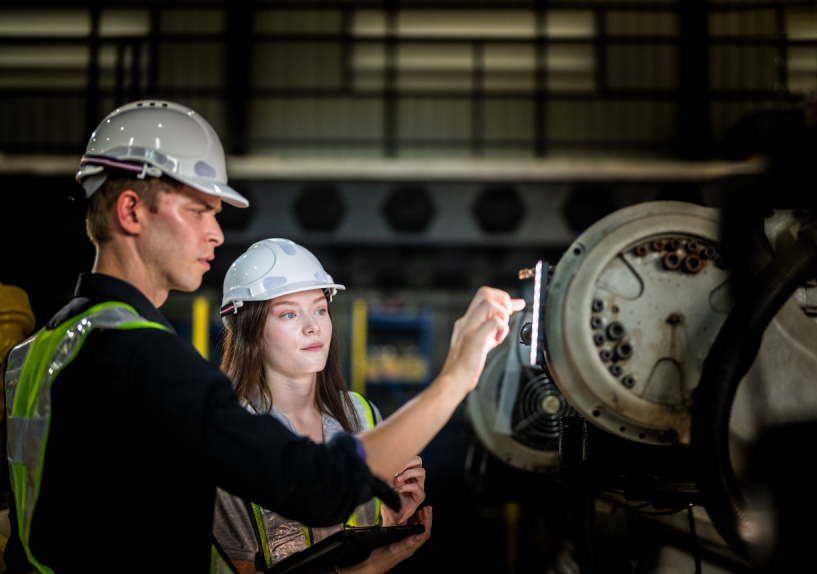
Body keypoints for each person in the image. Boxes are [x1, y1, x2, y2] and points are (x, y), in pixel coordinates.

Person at [2, 100, 524, 573]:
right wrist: (456, 377)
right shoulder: (148, 358)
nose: (217, 232)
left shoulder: (42, 347)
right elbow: (317, 485)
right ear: (131, 210)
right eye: (198, 209)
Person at [213, 239, 430, 574]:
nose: (313, 326)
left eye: (319, 309)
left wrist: (390, 521)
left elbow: (360, 537)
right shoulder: (229, 432)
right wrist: (371, 568)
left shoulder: (362, 414)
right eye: (288, 313)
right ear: (250, 331)